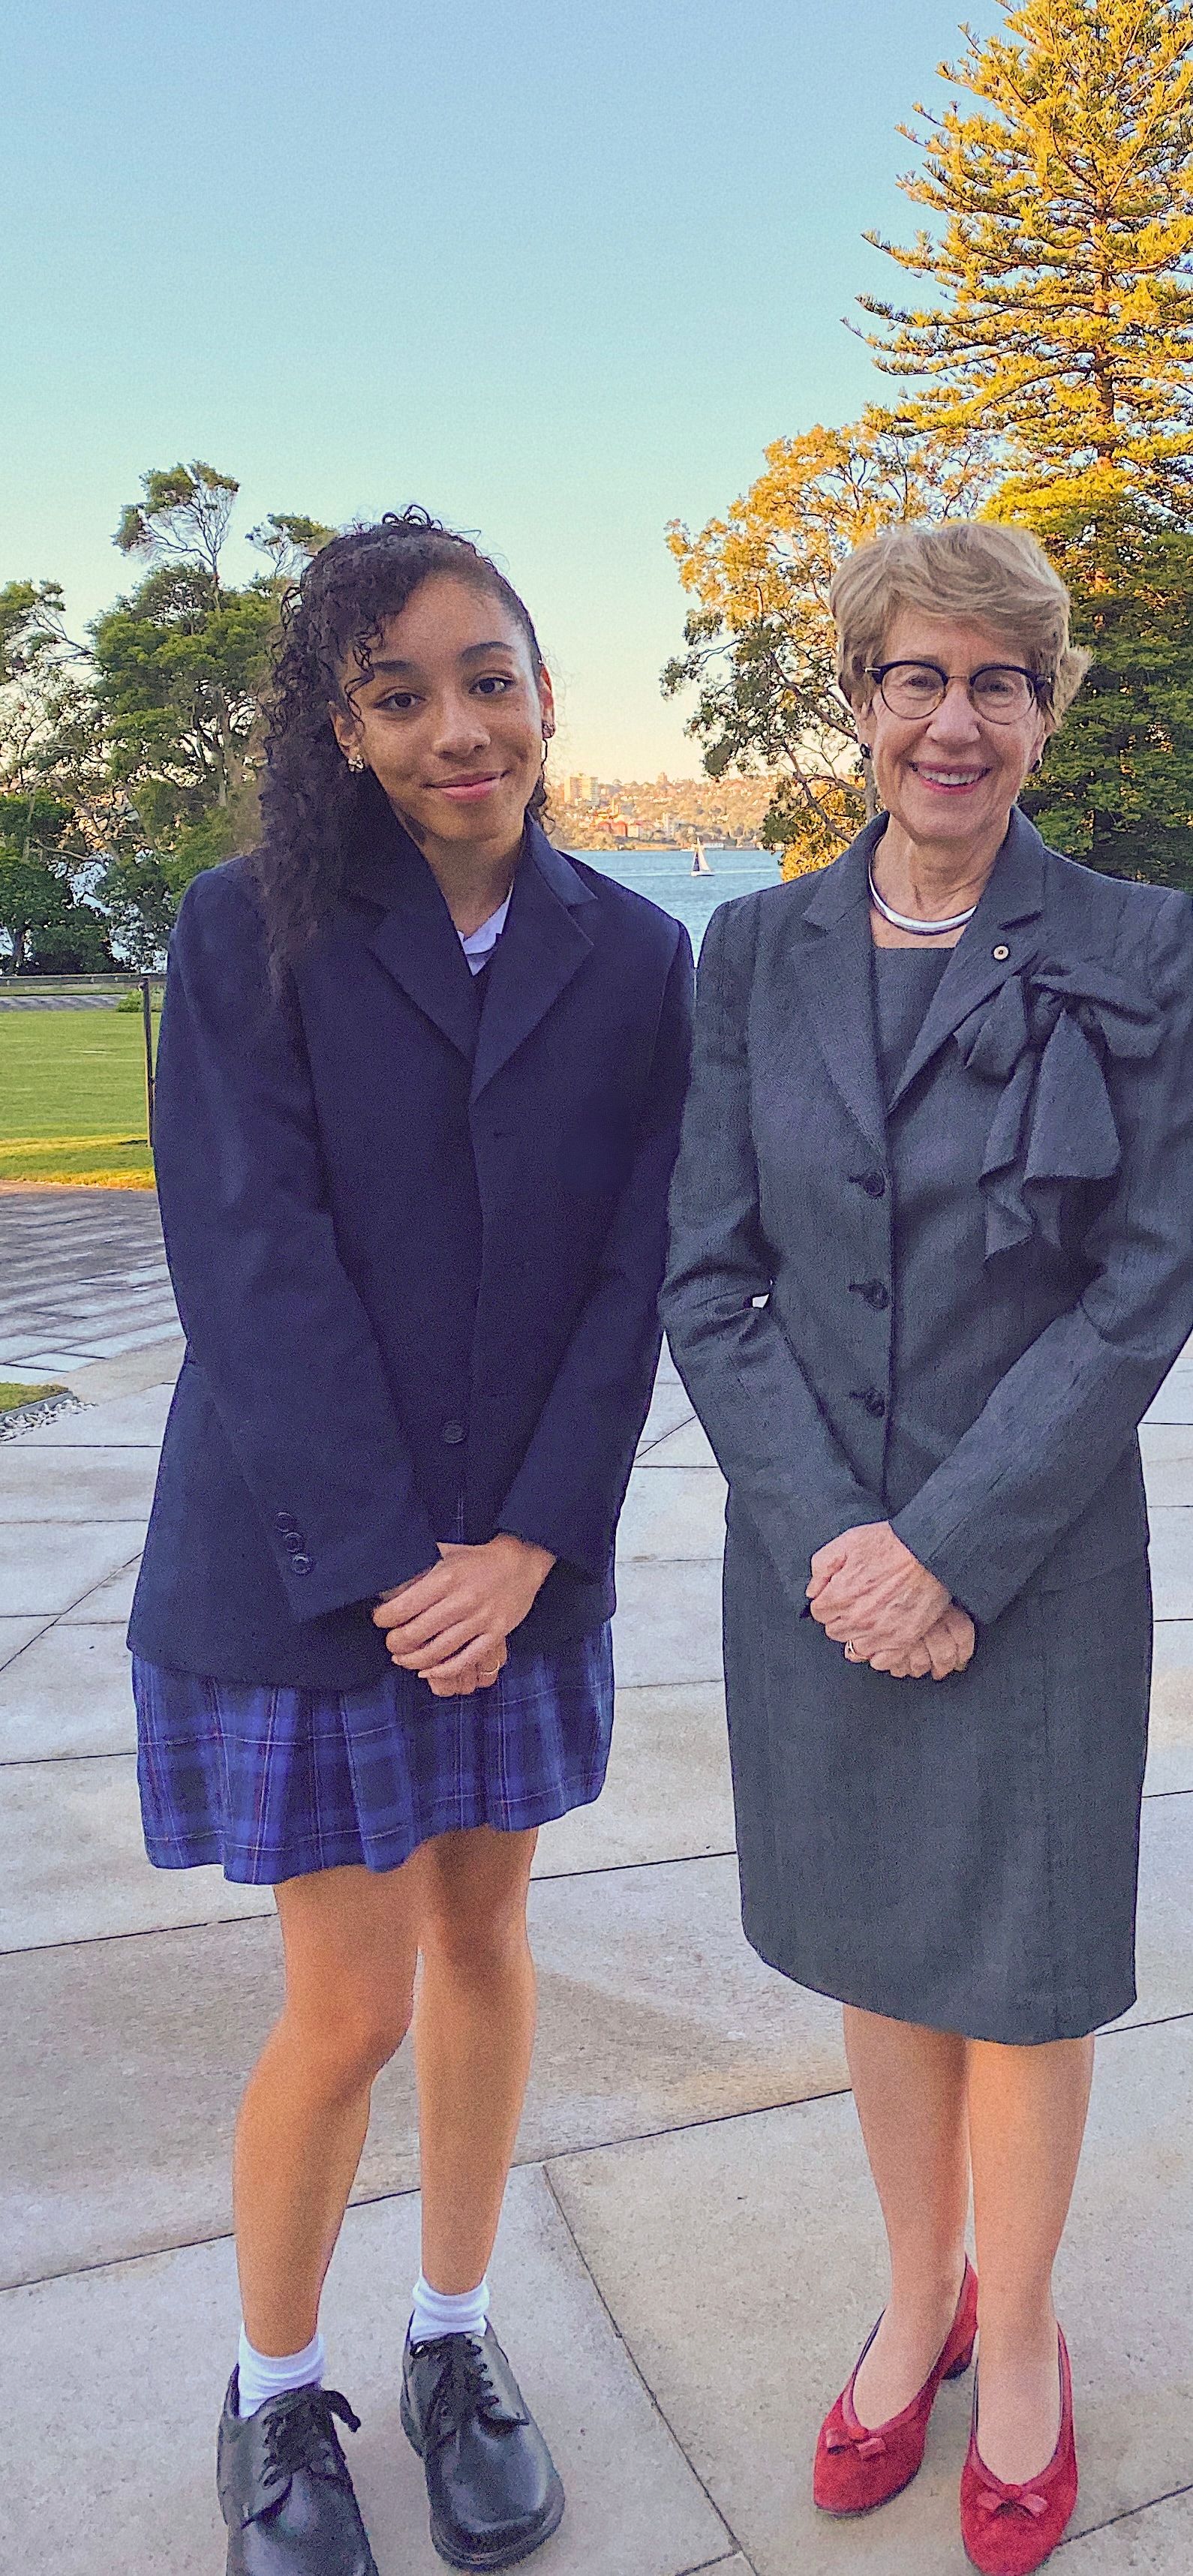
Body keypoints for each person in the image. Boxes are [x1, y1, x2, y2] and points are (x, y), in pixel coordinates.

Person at [128, 509, 693, 2576]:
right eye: (402, 694)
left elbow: (637, 1274)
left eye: (490, 677)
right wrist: (398, 1565)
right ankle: (278, 2390)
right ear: (342, 730)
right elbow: (250, 1259)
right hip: (307, 1567)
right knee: (348, 2001)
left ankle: (453, 2336)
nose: (461, 727)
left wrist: (531, 1544)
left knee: (484, 1943)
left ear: (548, 687)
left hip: (522, 1571)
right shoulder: (240, 926)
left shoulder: (640, 953)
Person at [661, 519, 1193, 2575]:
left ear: (1045, 710)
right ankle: (918, 2296)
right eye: (914, 677)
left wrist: (949, 1543)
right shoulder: (753, 951)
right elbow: (709, 1279)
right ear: (861, 701)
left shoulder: (1146, 948)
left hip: (1039, 1558)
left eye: (996, 680)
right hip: (816, 1563)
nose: (951, 718)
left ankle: (1031, 2331)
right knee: (884, 1948)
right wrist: (833, 1539)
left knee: (1027, 1966)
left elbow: (1145, 1285)